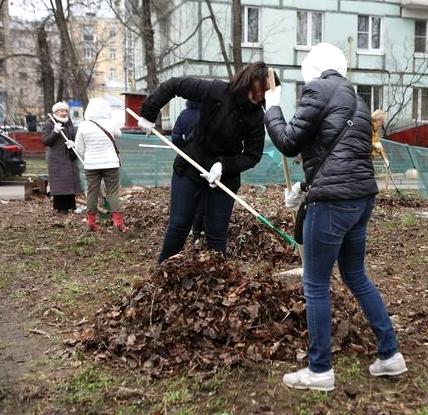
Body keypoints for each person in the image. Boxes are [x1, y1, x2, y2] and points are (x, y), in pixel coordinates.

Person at [264, 43, 407, 392]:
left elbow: (288, 142)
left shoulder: (319, 90)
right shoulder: (356, 100)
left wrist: (272, 107)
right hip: (360, 200)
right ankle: (390, 355)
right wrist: (302, 185)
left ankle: (320, 370)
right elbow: (341, 157)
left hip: (331, 205)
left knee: (315, 283)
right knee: (356, 275)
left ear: (312, 69)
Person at [137, 62, 271, 264]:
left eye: (266, 92)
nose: (261, 96)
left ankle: (217, 282)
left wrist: (223, 166)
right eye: (259, 90)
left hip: (224, 177)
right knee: (180, 223)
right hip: (192, 163)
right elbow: (174, 85)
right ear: (248, 81)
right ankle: (163, 271)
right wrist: (149, 113)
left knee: (217, 234)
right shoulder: (215, 90)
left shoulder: (256, 117)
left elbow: (253, 155)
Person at [74, 97, 126, 232]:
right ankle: (118, 222)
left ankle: (91, 222)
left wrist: (88, 158)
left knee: (92, 192)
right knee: (112, 192)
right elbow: (119, 134)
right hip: (111, 163)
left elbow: (79, 148)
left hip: (91, 164)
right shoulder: (111, 123)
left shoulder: (84, 125)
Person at [170, 100, 205, 239]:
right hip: (206, 162)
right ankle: (199, 229)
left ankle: (183, 227)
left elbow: (175, 137)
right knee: (203, 196)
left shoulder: (184, 115)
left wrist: (185, 148)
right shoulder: (210, 114)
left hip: (187, 162)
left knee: (186, 196)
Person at [41, 101, 82, 213]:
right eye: (61, 111)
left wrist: (73, 143)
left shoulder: (69, 123)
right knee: (60, 183)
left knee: (70, 183)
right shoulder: (49, 123)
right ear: (56, 112)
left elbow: (73, 136)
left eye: (66, 111)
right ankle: (60, 207)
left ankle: (71, 206)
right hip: (56, 159)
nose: (64, 113)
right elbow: (46, 141)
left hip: (69, 158)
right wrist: (55, 131)